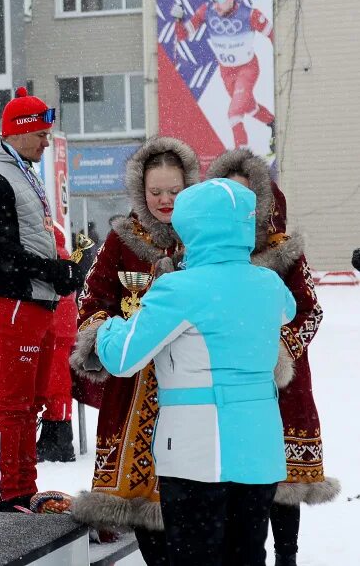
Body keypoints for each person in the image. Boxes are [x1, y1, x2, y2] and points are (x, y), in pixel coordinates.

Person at [96, 178, 295, 566]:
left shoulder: (179, 289)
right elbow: (287, 310)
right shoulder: (268, 283)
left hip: (197, 453)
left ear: (191, 227)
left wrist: (106, 327)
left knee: (194, 556)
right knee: (247, 555)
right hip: (259, 449)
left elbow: (121, 358)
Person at [68, 136, 199, 564]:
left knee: (195, 500)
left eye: (174, 192)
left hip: (194, 385)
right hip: (134, 392)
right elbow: (90, 303)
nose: (164, 200)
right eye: (154, 191)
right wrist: (115, 335)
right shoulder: (122, 239)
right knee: (142, 505)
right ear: (140, 193)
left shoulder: (205, 239)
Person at [207, 148, 337, 566]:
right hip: (227, 384)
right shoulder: (208, 255)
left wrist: (274, 351)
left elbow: (311, 310)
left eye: (247, 198)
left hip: (283, 381)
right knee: (237, 475)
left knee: (282, 477)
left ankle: (286, 555)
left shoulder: (284, 252)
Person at [0, 87, 85, 512]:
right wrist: (53, 270)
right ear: (18, 132)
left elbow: (27, 241)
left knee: (31, 401)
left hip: (35, 298)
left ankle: (22, 485)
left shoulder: (21, 173)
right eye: (40, 133)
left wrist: (62, 269)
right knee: (14, 403)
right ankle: (8, 492)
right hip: (14, 299)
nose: (46, 141)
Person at [172, 0, 274, 149]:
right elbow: (182, 35)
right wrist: (178, 20)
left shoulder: (250, 14)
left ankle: (242, 158)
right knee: (249, 108)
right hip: (227, 73)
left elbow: (274, 35)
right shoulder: (206, 11)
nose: (216, 4)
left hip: (247, 69)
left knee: (234, 114)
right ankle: (274, 125)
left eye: (220, 0)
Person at [36, 227, 79, 463]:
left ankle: (60, 440)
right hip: (63, 328)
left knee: (55, 385)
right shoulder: (65, 258)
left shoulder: (54, 259)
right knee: (58, 383)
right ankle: (57, 436)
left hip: (54, 328)